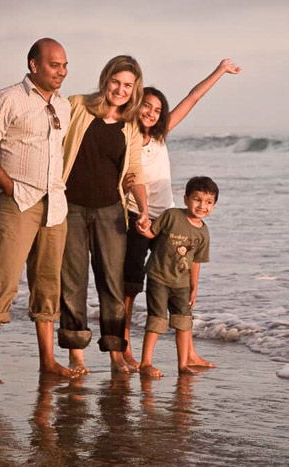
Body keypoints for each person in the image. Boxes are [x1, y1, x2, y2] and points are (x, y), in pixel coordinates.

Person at [122, 59, 241, 369]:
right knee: (132, 286)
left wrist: (218, 71)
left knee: (181, 280)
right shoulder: (127, 138)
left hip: (167, 219)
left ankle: (188, 354)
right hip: (137, 216)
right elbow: (130, 179)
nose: (151, 112)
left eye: (157, 109)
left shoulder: (160, 136)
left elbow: (192, 97)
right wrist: (143, 213)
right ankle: (124, 346)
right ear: (136, 106)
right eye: (146, 106)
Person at [0, 38, 74, 384]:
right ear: (34, 65)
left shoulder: (64, 107)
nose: (61, 71)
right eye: (54, 65)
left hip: (54, 206)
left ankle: (48, 361)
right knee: (3, 279)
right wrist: (10, 187)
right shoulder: (8, 98)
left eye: (64, 65)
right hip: (16, 203)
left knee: (47, 285)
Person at [58, 55, 149, 374]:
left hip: (111, 211)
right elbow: (52, 142)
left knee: (111, 283)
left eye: (128, 85)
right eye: (116, 82)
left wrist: (144, 211)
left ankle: (114, 352)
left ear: (134, 89)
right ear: (105, 79)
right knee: (73, 280)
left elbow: (135, 171)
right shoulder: (77, 105)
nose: (120, 90)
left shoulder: (132, 124)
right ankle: (75, 355)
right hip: (70, 207)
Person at [136, 176, 219, 376]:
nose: (202, 206)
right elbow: (152, 234)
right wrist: (143, 229)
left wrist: (194, 287)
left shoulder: (203, 233)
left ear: (214, 205)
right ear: (186, 199)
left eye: (208, 202)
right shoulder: (172, 215)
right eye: (197, 199)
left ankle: (183, 364)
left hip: (181, 284)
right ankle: (146, 363)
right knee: (156, 320)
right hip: (158, 277)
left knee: (183, 322)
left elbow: (196, 262)